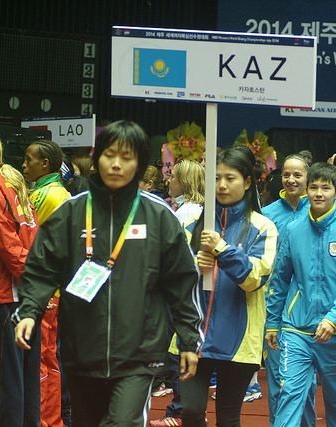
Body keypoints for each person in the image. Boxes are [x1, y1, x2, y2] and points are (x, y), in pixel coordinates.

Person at [14, 120, 203, 427]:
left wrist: (189, 340)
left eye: (126, 157)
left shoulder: (158, 216)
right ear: (97, 158)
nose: (116, 164)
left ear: (139, 164)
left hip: (139, 356)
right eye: (109, 155)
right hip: (81, 352)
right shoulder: (71, 213)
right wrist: (29, 311)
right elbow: (41, 268)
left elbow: (182, 281)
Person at [180, 147, 277, 427]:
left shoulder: (263, 227)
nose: (221, 185)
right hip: (193, 334)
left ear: (247, 182)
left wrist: (222, 249)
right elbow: (170, 273)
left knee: (228, 417)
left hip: (239, 337)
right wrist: (194, 265)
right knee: (190, 411)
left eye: (230, 178)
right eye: (216, 178)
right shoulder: (189, 222)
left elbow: (254, 279)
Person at [266, 162, 336, 427]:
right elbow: (280, 279)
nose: (319, 193)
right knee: (289, 394)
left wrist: (333, 319)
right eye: (314, 187)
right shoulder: (293, 229)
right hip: (296, 328)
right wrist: (272, 322)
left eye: (325, 188)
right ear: (306, 190)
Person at [261, 153, 316, 426]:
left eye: (297, 175)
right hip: (275, 304)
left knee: (305, 379)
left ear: (308, 177)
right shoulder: (267, 214)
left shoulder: (318, 211)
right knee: (277, 376)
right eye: (286, 174)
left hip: (309, 307)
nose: (291, 179)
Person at [150, 159, 206, 427]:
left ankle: (180, 409)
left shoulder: (185, 214)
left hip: (179, 291)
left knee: (178, 350)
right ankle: (184, 407)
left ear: (184, 182)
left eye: (172, 177)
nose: (168, 181)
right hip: (187, 289)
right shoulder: (193, 211)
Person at [22, 139, 71, 427]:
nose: (24, 165)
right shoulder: (57, 192)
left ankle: (42, 419)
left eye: (29, 159)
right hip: (54, 289)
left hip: (43, 290)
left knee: (39, 359)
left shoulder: (46, 196)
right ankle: (52, 420)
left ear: (45, 164)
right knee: (49, 358)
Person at [0, 137, 40, 427]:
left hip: (7, 294)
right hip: (26, 293)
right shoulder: (16, 187)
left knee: (8, 380)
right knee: (26, 375)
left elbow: (9, 248)